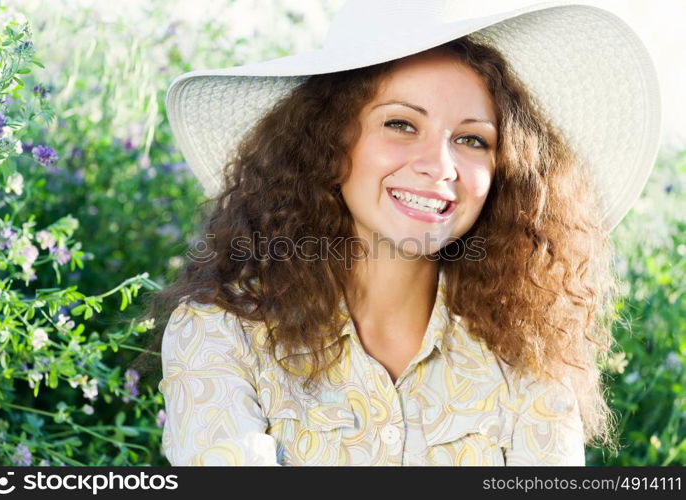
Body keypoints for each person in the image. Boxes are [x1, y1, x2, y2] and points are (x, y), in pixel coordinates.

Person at [143, 0, 661, 465]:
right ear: (327, 141)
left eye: (472, 140)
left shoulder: (524, 355)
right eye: (401, 125)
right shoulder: (221, 334)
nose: (440, 166)